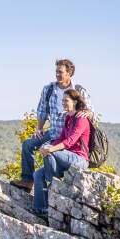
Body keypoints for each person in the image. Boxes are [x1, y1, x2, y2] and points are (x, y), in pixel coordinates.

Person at [11, 59, 94, 191]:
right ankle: (27, 181)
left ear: (69, 73)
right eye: (56, 72)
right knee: (28, 144)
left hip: (70, 136)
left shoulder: (79, 90)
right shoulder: (49, 89)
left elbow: (90, 111)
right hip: (54, 132)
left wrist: (88, 113)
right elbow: (42, 110)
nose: (57, 75)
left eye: (60, 72)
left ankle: (51, 184)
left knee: (49, 151)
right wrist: (39, 128)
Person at [32, 88, 90, 218]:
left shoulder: (81, 119)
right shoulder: (68, 118)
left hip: (79, 160)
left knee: (50, 153)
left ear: (75, 102)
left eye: (66, 100)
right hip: (65, 157)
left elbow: (69, 141)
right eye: (62, 100)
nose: (63, 102)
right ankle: (41, 210)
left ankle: (53, 184)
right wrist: (46, 146)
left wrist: (50, 149)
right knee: (37, 174)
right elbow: (60, 139)